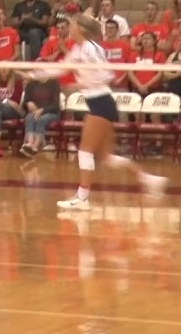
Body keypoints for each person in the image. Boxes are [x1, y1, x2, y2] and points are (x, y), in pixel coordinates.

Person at [25, 15, 167, 210]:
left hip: (101, 102)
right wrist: (34, 74)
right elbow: (61, 68)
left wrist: (80, 83)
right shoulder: (79, 49)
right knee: (105, 157)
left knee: (85, 152)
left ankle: (82, 198)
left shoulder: (91, 49)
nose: (69, 29)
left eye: (73, 26)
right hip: (100, 103)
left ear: (81, 29)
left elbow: (107, 74)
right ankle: (149, 179)